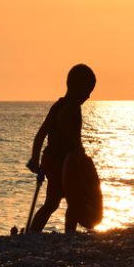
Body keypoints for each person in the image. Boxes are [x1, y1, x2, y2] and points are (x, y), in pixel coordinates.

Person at [26, 63, 96, 233]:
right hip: (62, 163)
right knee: (73, 201)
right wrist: (77, 146)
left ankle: (33, 233)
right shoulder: (73, 107)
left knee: (51, 203)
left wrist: (35, 158)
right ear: (78, 87)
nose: (88, 96)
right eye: (88, 90)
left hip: (50, 160)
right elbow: (64, 121)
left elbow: (40, 134)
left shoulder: (57, 106)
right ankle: (69, 234)